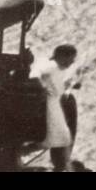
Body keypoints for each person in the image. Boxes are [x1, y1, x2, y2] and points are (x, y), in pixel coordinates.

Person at [32, 43, 79, 171]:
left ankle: (61, 165)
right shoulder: (49, 65)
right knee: (61, 136)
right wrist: (43, 88)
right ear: (61, 56)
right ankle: (61, 165)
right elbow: (36, 75)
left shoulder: (56, 68)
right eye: (70, 59)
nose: (71, 62)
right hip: (48, 105)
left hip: (53, 103)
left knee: (62, 137)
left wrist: (69, 84)